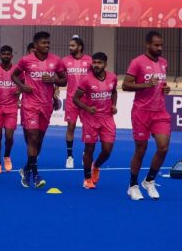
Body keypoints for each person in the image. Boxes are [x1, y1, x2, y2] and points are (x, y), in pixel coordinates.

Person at [12, 31, 67, 189]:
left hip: (46, 105)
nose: (47, 45)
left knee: (39, 141)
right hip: (30, 105)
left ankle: (26, 169)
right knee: (33, 137)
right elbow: (14, 76)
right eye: (43, 43)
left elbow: (64, 80)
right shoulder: (26, 60)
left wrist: (54, 79)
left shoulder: (56, 61)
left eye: (48, 42)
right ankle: (36, 175)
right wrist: (22, 87)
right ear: (35, 45)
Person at [122, 31, 171, 200]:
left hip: (160, 112)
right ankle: (133, 185)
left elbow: (162, 83)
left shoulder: (164, 63)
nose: (160, 48)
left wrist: (166, 88)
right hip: (141, 112)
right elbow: (125, 85)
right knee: (141, 149)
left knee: (163, 147)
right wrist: (145, 84)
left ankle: (149, 181)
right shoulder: (137, 62)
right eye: (156, 45)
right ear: (148, 45)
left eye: (161, 45)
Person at [73, 52, 117, 190]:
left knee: (107, 150)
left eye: (99, 63)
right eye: (94, 62)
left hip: (107, 118)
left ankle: (96, 166)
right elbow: (75, 98)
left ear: (105, 64)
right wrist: (86, 108)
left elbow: (114, 92)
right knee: (89, 149)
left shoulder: (112, 78)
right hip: (90, 119)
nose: (96, 65)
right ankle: (87, 178)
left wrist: (114, 105)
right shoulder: (86, 80)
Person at [63, 35, 92, 169]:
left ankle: (86, 153)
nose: (70, 48)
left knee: (88, 128)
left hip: (86, 100)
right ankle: (69, 156)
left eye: (72, 46)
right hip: (71, 100)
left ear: (79, 47)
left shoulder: (90, 61)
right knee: (71, 127)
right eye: (69, 45)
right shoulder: (64, 61)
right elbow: (60, 77)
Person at [0, 45, 19, 174]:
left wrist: (20, 91)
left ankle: (7, 156)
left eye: (8, 54)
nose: (6, 56)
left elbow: (24, 83)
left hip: (11, 107)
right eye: (4, 54)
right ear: (0, 55)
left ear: (12, 56)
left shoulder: (18, 70)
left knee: (9, 136)